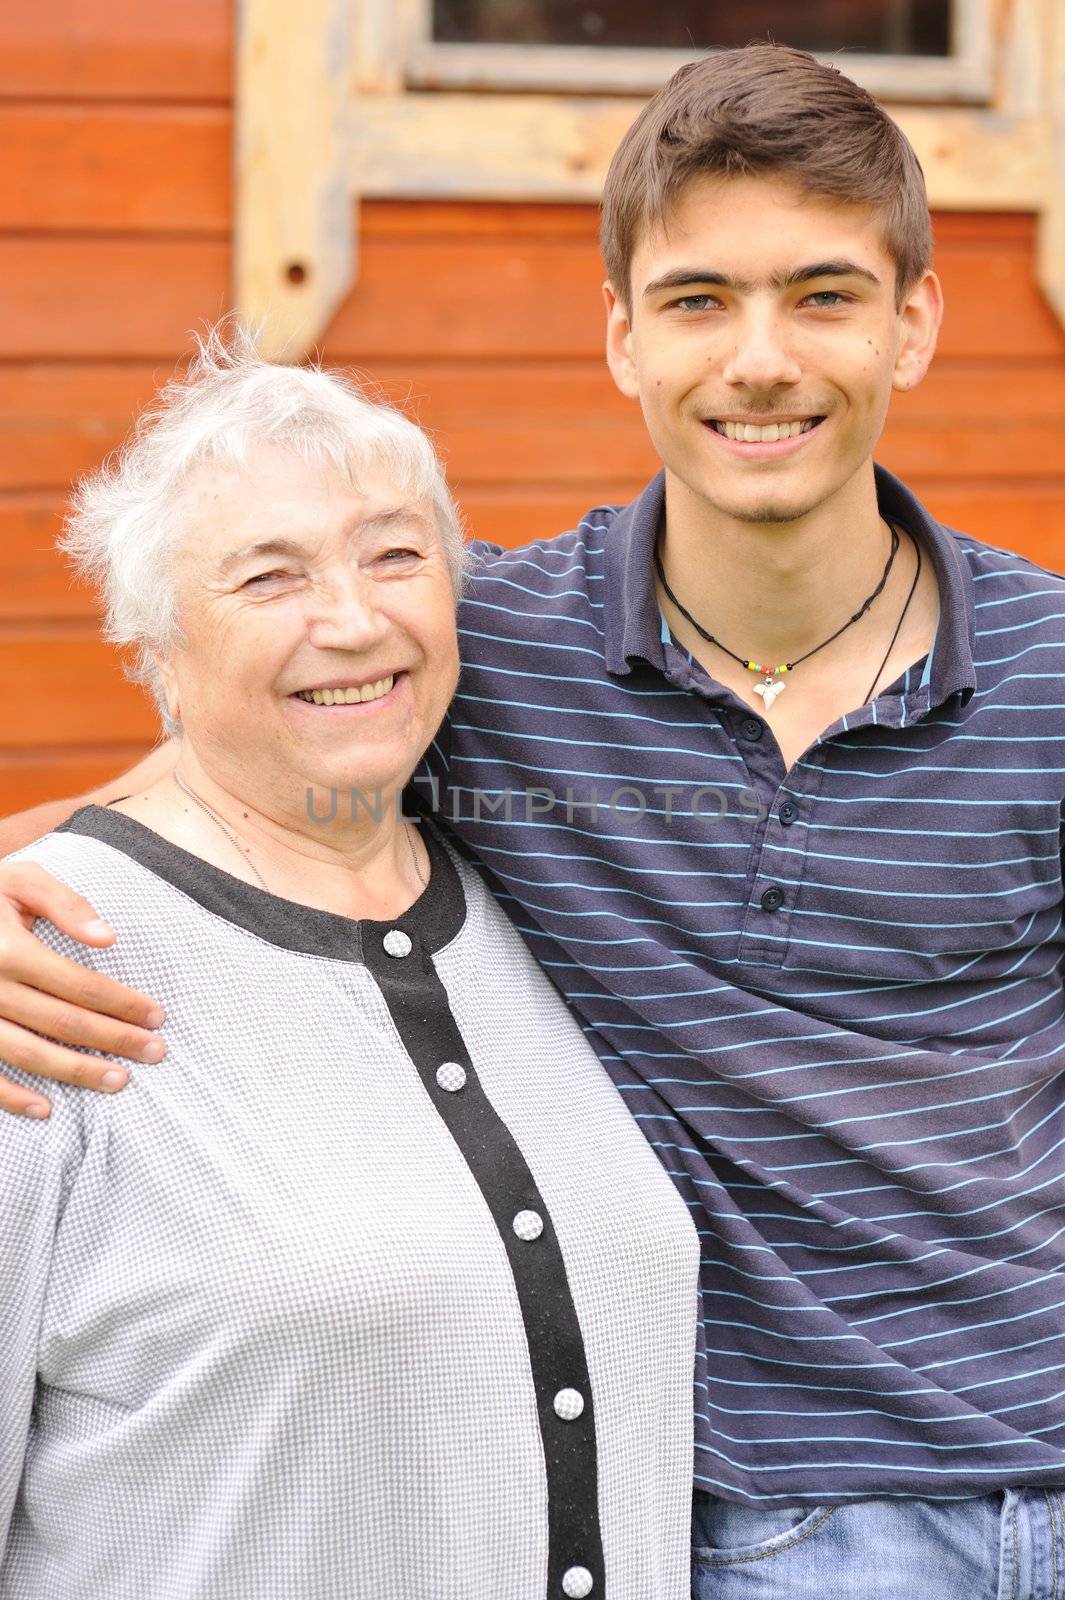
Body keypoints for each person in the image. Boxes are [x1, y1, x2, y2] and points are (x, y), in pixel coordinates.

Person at [2, 37, 1064, 1599]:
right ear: (624, 340)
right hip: (774, 1524)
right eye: (699, 301)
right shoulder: (488, 651)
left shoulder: (1049, 666)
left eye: (823, 295)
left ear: (914, 325)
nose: (759, 360)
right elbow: (242, 751)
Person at [0, 337, 699, 1599]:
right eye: (270, 578)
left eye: (395, 554)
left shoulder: (538, 905)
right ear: (154, 646)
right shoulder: (43, 975)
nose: (355, 618)